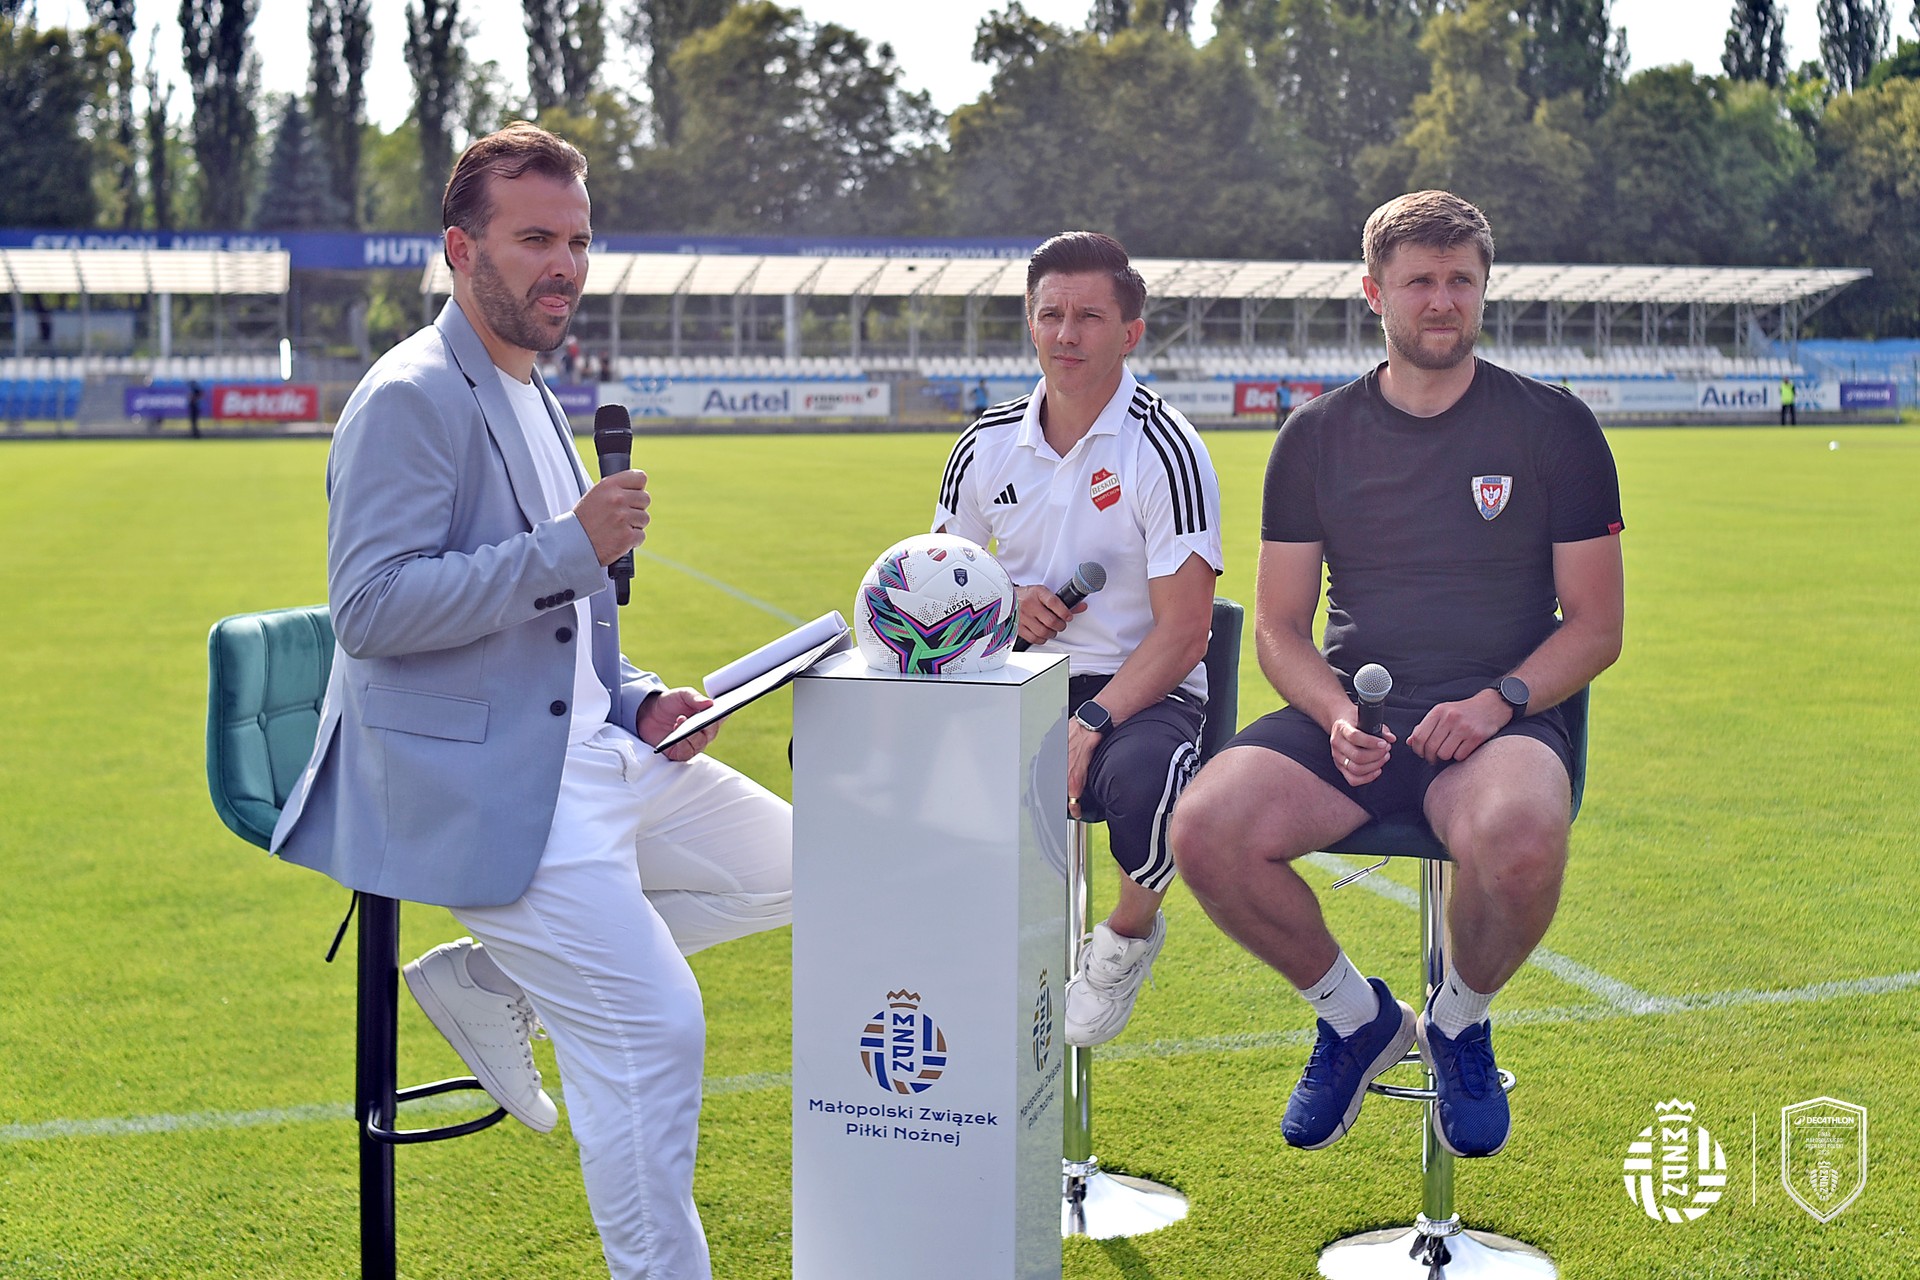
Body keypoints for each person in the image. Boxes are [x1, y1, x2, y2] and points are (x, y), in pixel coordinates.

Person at [270, 123, 793, 1279]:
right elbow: (372, 608)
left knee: (812, 864)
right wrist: (568, 547)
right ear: (461, 249)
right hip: (487, 777)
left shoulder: (533, 387)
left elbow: (564, 627)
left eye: (579, 242)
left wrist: (642, 698)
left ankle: (495, 975)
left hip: (594, 745)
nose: (565, 266)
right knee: (654, 1028)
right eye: (535, 240)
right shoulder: (411, 394)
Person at [1171, 191, 1624, 1159]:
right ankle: (1356, 1019)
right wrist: (1335, 713)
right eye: (1420, 281)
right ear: (1375, 293)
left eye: (1462, 279)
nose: (1443, 300)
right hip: (1355, 721)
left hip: (1496, 721)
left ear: (1485, 288)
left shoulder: (1555, 426)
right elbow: (1280, 627)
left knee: (1520, 836)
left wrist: (1498, 700)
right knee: (1204, 825)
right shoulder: (1315, 435)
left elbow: (1595, 626)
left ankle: (1457, 1022)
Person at [935, 231, 1223, 1047]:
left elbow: (1186, 631)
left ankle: (1125, 939)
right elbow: (938, 582)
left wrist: (1089, 723)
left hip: (1142, 686)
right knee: (877, 753)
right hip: (1015, 675)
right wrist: (1003, 601)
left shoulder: (1165, 447)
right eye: (1051, 315)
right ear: (1030, 323)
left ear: (1130, 333)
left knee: (1145, 785)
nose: (1066, 334)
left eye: (1089, 317)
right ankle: (943, 942)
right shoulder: (984, 442)